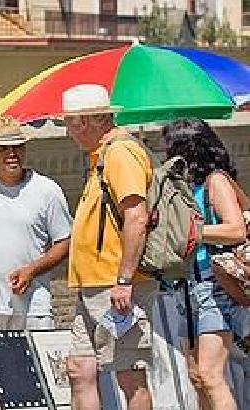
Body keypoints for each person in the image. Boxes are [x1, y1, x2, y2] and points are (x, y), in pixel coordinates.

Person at [0, 119, 71, 408]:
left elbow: (64, 242)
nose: (11, 154)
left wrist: (33, 270)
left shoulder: (47, 190)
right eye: (3, 148)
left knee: (37, 382)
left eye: (17, 147)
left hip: (32, 304)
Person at [63, 84, 158, 410]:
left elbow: (136, 217)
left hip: (113, 284)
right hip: (95, 285)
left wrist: (124, 279)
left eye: (69, 122)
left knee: (128, 373)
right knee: (79, 369)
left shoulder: (120, 153)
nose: (68, 131)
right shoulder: (103, 155)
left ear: (86, 121)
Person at [162, 118, 249, 410]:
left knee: (211, 375)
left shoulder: (216, 181)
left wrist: (192, 233)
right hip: (187, 287)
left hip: (215, 286)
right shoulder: (183, 188)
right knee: (197, 376)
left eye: (171, 147)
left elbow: (236, 229)